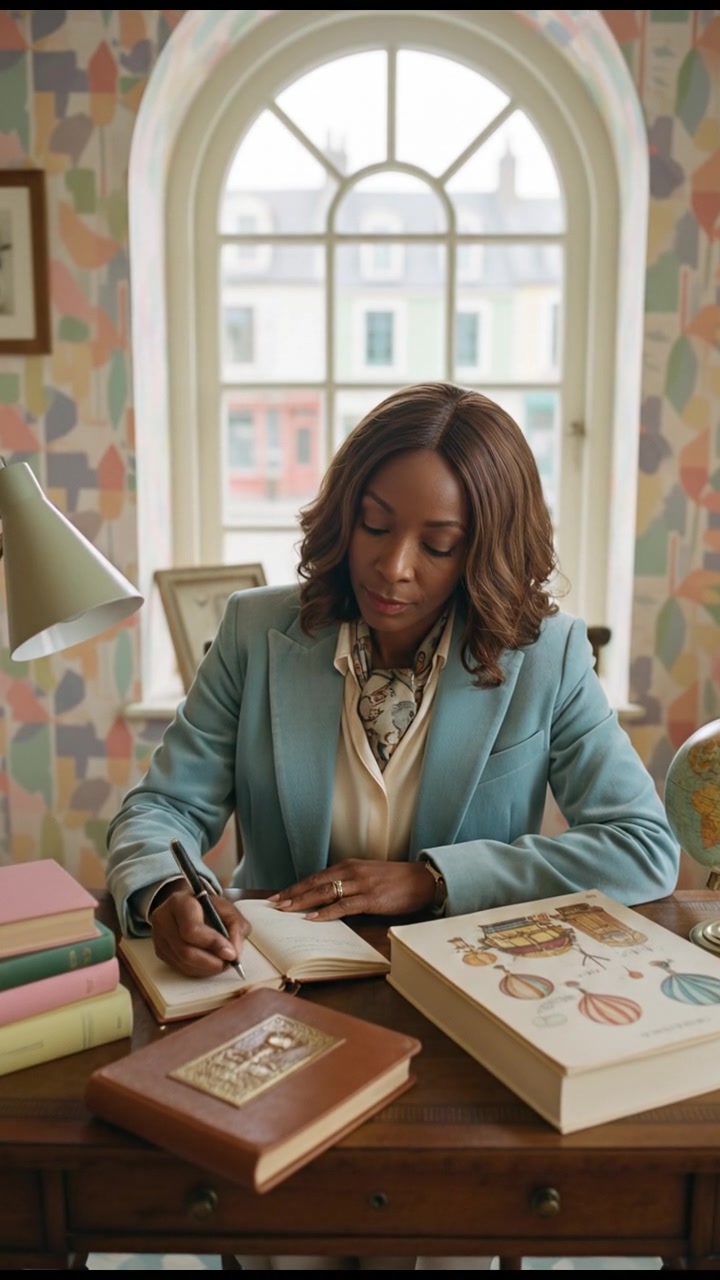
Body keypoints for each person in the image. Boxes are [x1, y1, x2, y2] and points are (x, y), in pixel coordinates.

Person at [106, 381, 679, 1271]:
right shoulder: (257, 633)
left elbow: (644, 846)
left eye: (438, 544)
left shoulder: (548, 655)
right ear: (345, 514)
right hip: (277, 1026)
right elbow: (162, 808)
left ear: (481, 550)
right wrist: (167, 886)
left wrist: (436, 878)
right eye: (375, 524)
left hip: (468, 1042)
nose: (393, 566)